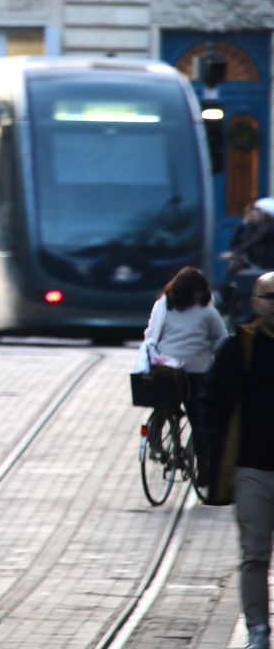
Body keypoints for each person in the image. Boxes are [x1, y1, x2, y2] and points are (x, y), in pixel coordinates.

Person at [204, 271, 274, 649]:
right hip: (252, 468)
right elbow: (213, 403)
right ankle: (258, 630)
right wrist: (212, 458)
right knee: (254, 555)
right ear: (255, 303)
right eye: (270, 297)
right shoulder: (238, 348)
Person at [141, 266, 228, 473]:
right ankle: (204, 471)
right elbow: (222, 339)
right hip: (197, 372)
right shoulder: (208, 312)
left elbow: (151, 334)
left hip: (167, 369)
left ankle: (155, 437)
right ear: (201, 291)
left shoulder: (163, 307)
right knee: (199, 421)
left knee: (164, 402)